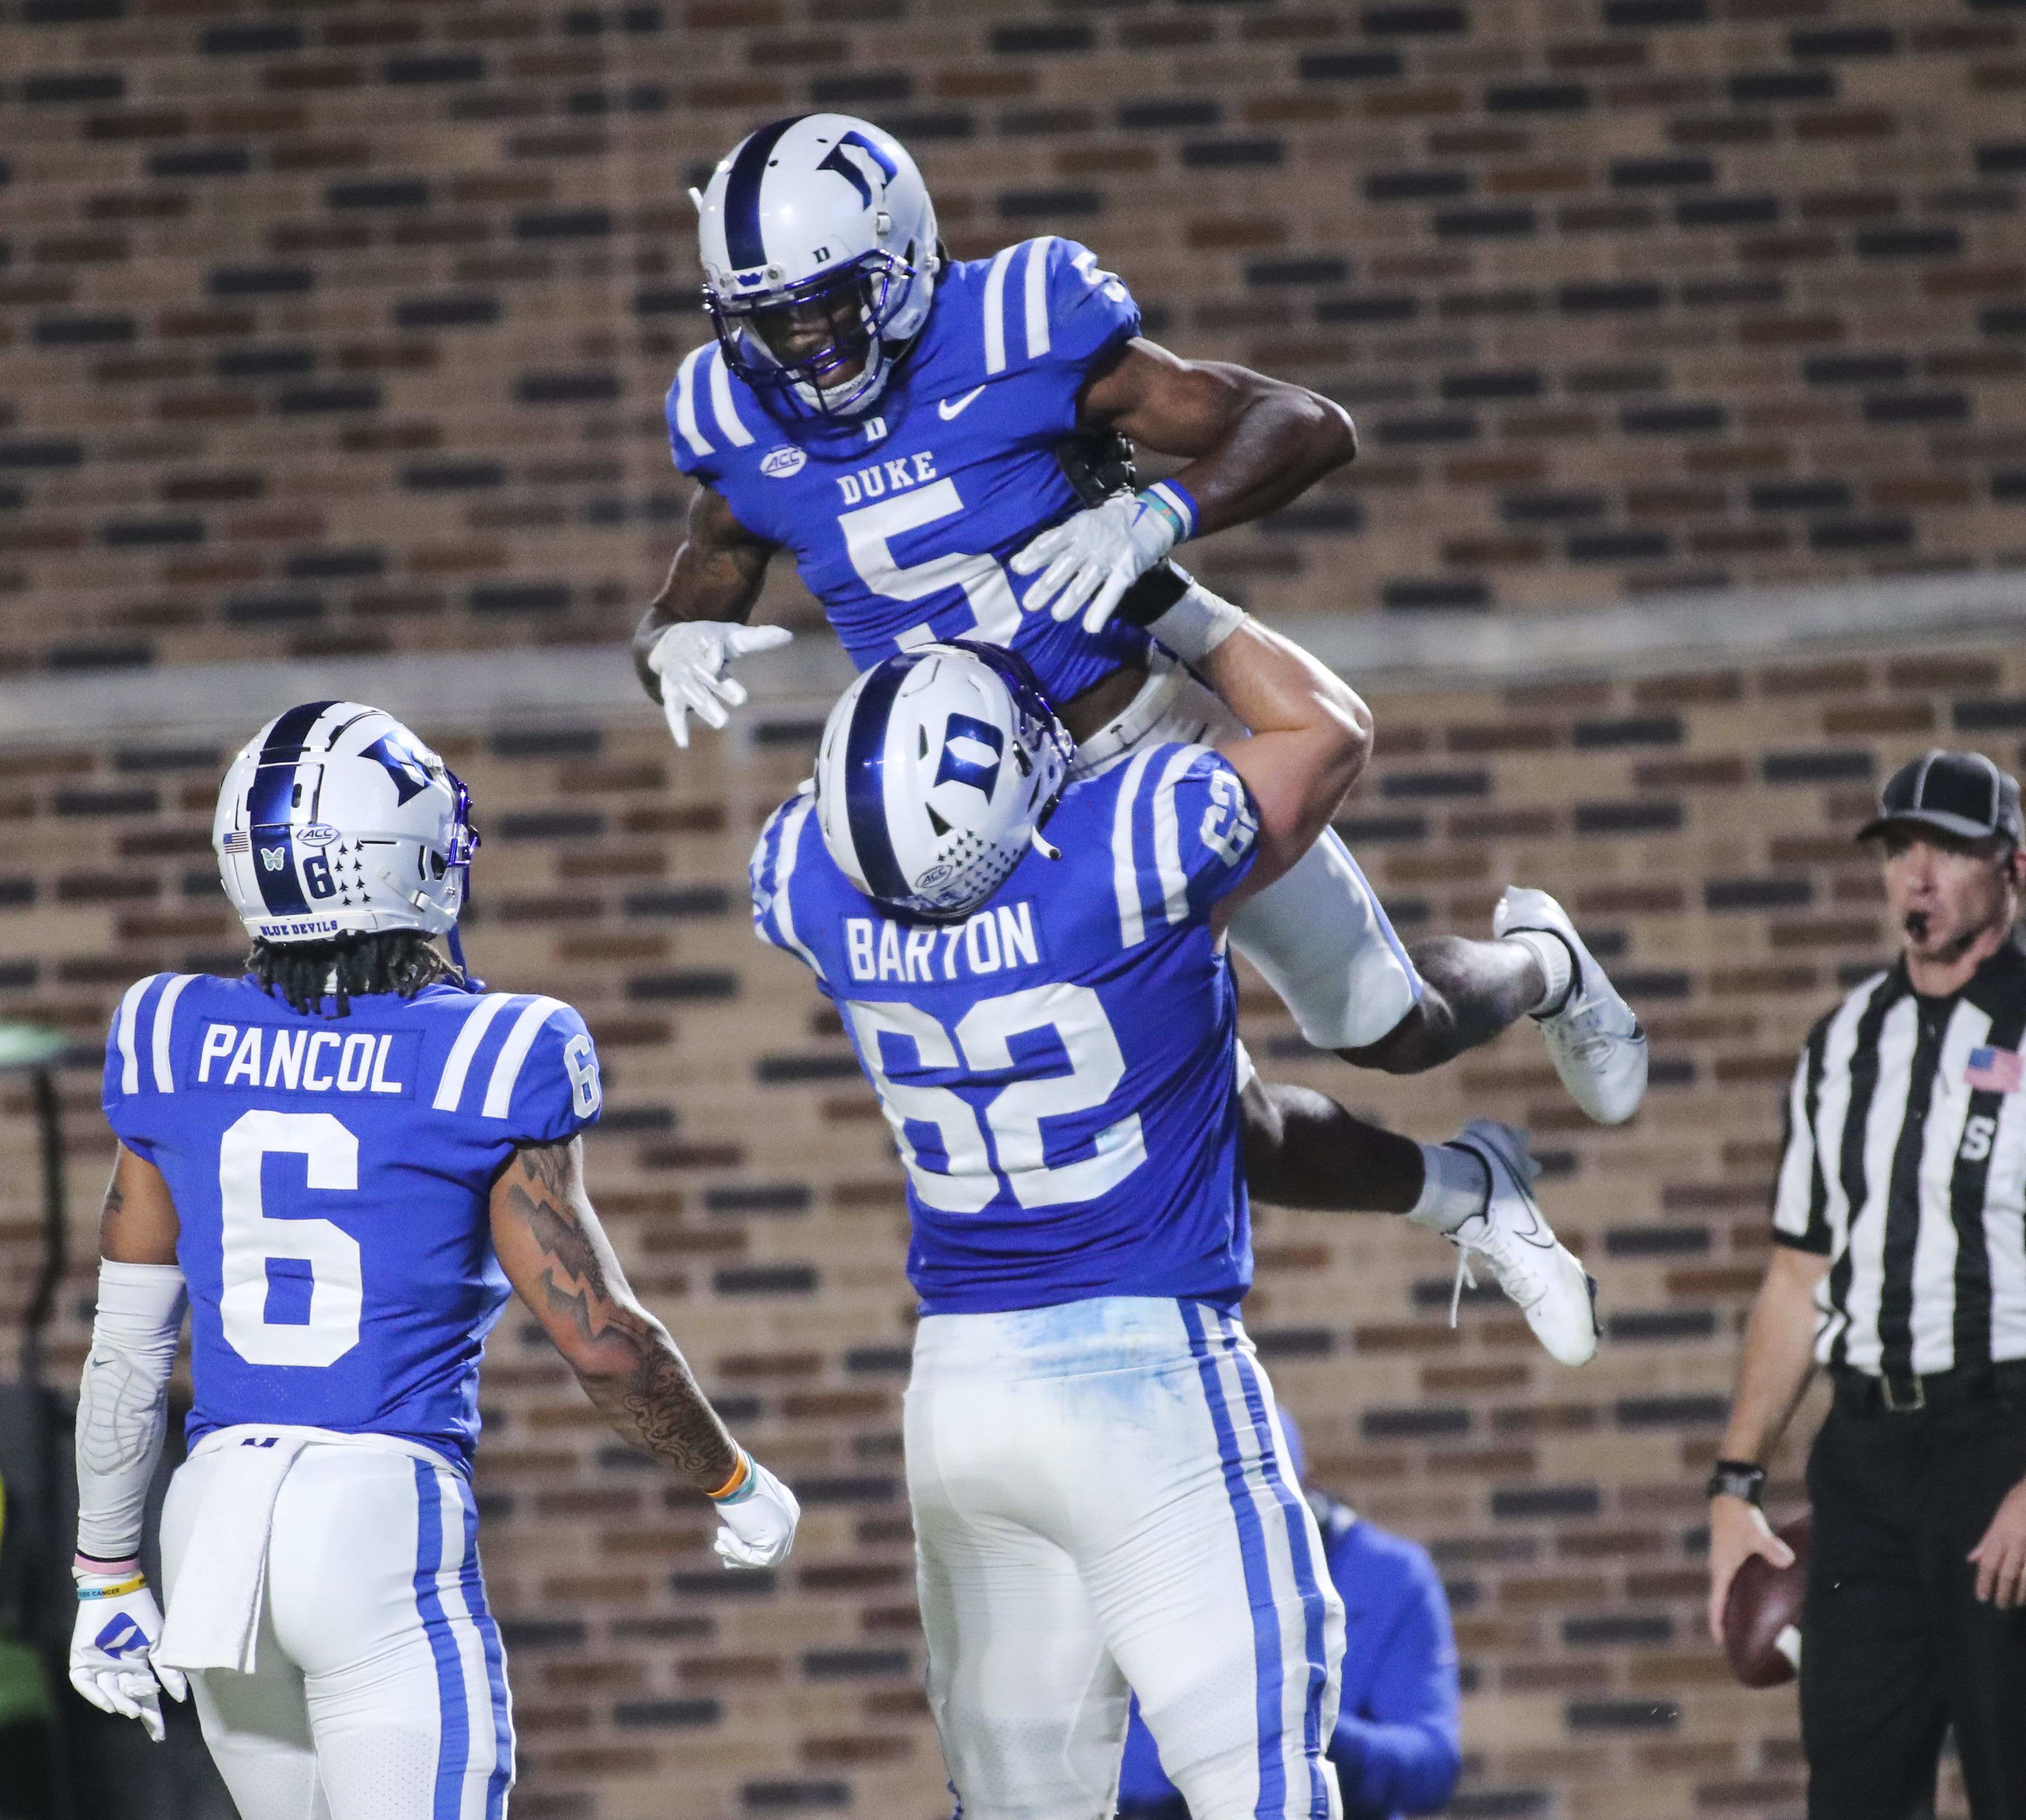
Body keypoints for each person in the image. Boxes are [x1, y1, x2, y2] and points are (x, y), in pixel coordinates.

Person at [747, 619, 1600, 1820]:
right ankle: (1489, 1124)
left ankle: (1461, 1195)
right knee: (1264, 1787)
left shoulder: (805, 880)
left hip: (957, 1397)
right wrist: (1178, 602)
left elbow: (843, 813)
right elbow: (1328, 729)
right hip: (1143, 1374)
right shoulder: (1128, 842)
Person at [636, 111, 1646, 1123]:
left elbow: (1304, 423)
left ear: (900, 256)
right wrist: (668, 645)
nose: (804, 349)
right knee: (1132, 1112)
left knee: (1389, 1026)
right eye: (770, 321)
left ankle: (1541, 961)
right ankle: (1463, 1197)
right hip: (973, 823)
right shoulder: (733, 425)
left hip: (1142, 746)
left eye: (827, 306)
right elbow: (684, 601)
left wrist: (1159, 513)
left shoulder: (1015, 331)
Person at [61, 700, 800, 1820]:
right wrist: (731, 1476)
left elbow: (124, 1346)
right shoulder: (495, 1048)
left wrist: (104, 1573)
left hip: (209, 1520)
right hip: (377, 1512)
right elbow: (599, 1340)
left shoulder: (169, 1032)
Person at [1704, 750, 2026, 1820]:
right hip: (1863, 1460)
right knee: (1854, 1790)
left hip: (2007, 1438)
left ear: (2014, 870)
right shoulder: (1839, 1046)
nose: (1917, 876)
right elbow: (1794, 1279)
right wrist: (1734, 1488)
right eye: (1900, 849)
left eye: (1949, 851)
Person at [1116, 1411, 1463, 1820]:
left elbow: (1431, 1769)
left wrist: (1308, 1725)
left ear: (1302, 1494)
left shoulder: (1388, 1575)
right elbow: (1099, 1767)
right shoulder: (1136, 1584)